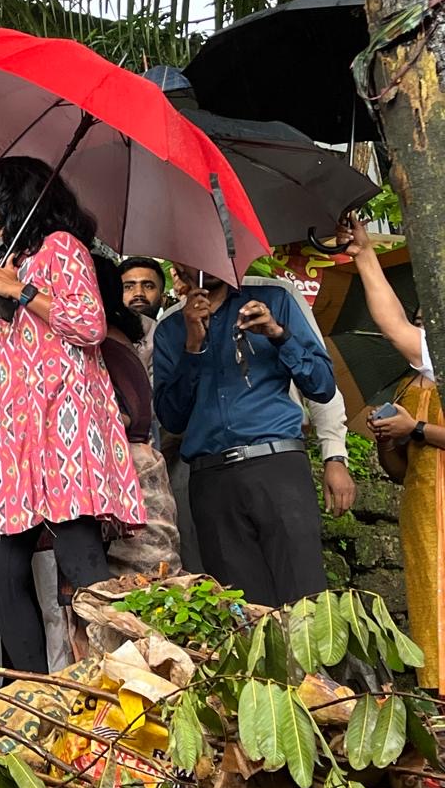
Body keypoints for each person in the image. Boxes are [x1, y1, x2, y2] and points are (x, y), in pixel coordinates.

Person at [0, 156, 144, 673]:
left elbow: (89, 325)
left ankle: (128, 679)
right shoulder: (3, 263)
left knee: (79, 555)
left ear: (13, 197)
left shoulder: (62, 248)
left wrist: (21, 291)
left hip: (61, 429)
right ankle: (34, 689)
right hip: (13, 441)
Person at [152, 262, 337, 607]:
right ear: (178, 266)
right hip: (211, 479)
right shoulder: (170, 329)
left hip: (277, 465)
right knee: (243, 609)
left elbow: (323, 385)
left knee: (305, 598)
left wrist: (278, 334)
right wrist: (192, 346)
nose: (205, 263)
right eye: (193, 257)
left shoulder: (274, 300)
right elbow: (172, 419)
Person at [337, 217, 442, 691]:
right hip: (422, 510)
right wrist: (388, 441)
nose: (418, 330)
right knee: (428, 598)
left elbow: (392, 324)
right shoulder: (405, 385)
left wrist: (416, 427)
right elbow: (400, 472)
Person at [91, 255, 182, 576]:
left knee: (138, 585)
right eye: (129, 285)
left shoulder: (106, 344)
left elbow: (126, 415)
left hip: (128, 472)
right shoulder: (116, 338)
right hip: (136, 469)